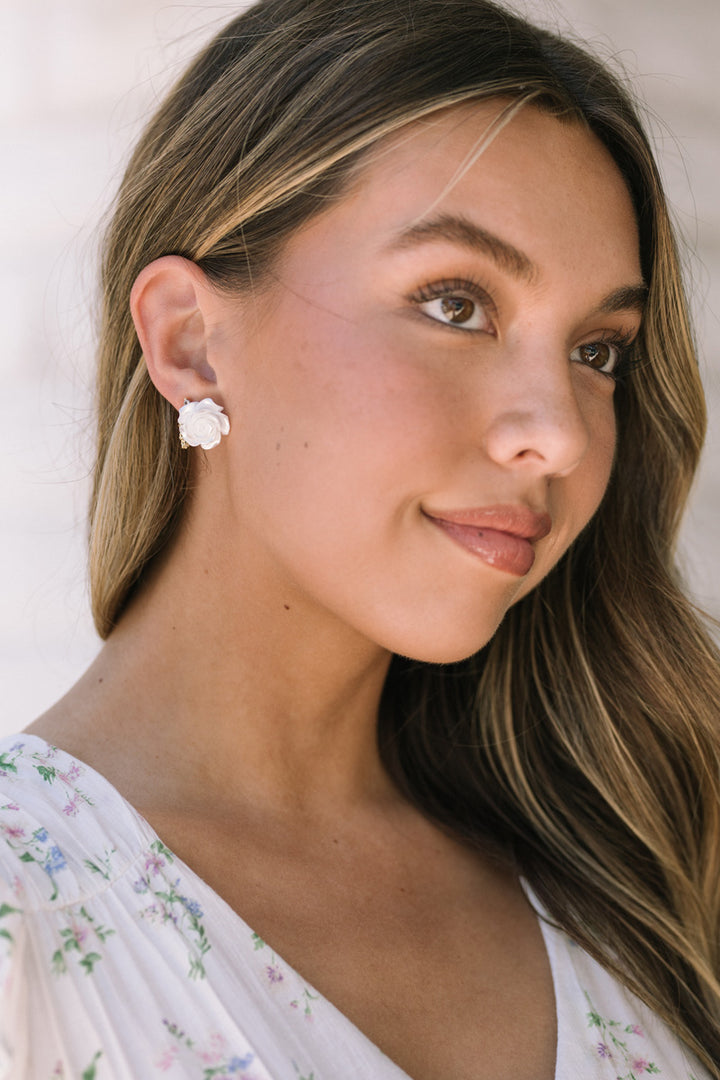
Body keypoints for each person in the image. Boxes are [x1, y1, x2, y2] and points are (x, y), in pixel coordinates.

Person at [1, 0, 718, 1076]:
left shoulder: (646, 867)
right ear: (193, 346)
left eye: (598, 351)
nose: (561, 437)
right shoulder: (28, 910)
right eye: (454, 303)